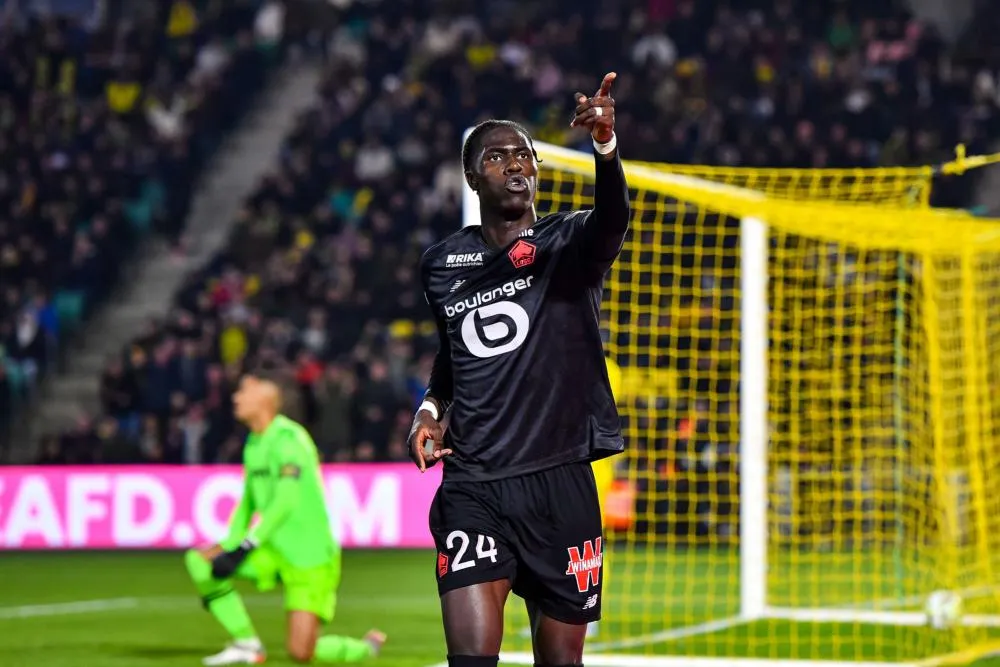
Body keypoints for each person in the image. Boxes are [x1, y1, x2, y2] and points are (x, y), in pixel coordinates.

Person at [408, 72, 629, 667]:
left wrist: (605, 145)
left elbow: (613, 219)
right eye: (496, 156)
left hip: (561, 481)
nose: (514, 164)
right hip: (475, 482)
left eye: (523, 155)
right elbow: (453, 356)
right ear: (472, 177)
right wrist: (428, 410)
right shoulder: (442, 264)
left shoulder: (569, 242)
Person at [184, 370, 386, 665]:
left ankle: (366, 648)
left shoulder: (290, 439)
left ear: (266, 399)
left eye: (244, 392)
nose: (236, 398)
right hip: (273, 549)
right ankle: (247, 644)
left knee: (301, 652)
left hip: (309, 555)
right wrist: (231, 545)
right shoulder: (254, 442)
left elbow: (286, 500)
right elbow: (248, 502)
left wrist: (246, 546)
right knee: (200, 560)